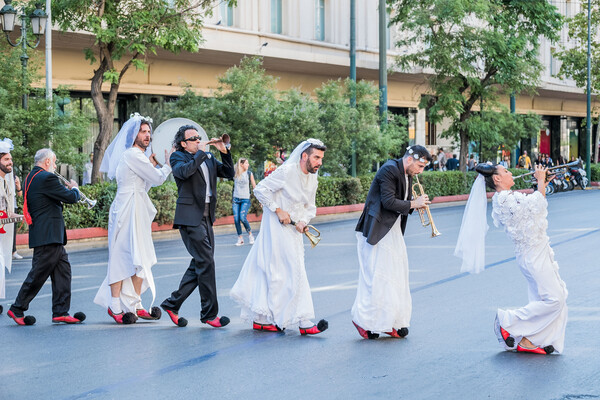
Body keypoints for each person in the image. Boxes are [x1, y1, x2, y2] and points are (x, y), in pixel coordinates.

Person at [455, 163, 567, 355]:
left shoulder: (509, 198)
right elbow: (538, 204)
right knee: (555, 299)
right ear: (497, 179)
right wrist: (540, 181)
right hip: (533, 255)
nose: (511, 173)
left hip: (536, 252)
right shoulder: (505, 199)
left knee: (549, 298)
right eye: (506, 171)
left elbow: (535, 209)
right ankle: (508, 320)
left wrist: (541, 184)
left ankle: (531, 340)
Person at [230, 139, 329, 335]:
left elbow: (311, 206)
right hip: (276, 228)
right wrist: (278, 210)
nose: (319, 162)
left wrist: (303, 221)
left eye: (321, 158)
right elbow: (260, 190)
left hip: (294, 231)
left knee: (287, 270)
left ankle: (263, 318)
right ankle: (303, 320)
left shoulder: (313, 178)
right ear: (304, 156)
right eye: (316, 157)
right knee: (283, 270)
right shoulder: (287, 171)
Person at [94, 114, 173, 324]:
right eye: (143, 132)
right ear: (133, 134)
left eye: (149, 132)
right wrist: (168, 164)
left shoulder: (139, 157)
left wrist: (155, 166)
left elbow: (146, 184)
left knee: (141, 257)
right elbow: (157, 179)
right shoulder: (131, 154)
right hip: (126, 208)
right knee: (120, 256)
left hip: (138, 208)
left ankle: (135, 304)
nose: (148, 136)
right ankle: (115, 305)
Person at [351, 145, 432, 339]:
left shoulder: (408, 172)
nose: (420, 171)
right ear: (410, 159)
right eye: (420, 166)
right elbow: (388, 202)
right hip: (378, 230)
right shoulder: (389, 169)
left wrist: (416, 203)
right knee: (376, 278)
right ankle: (363, 320)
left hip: (393, 230)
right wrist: (414, 203)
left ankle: (390, 322)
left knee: (396, 277)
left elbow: (401, 201)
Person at [160, 125, 234, 328]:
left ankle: (172, 304)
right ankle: (209, 314)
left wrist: (224, 151)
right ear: (183, 143)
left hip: (206, 216)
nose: (198, 140)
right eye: (193, 138)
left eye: (199, 137)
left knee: (202, 262)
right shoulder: (178, 158)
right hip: (189, 218)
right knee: (206, 262)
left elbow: (229, 172)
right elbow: (184, 173)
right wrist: (201, 153)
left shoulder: (208, 158)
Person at [7, 149, 86, 325]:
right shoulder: (47, 178)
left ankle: (60, 311)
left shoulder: (31, 177)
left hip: (47, 235)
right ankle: (17, 308)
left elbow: (50, 198)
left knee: (63, 272)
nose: (56, 166)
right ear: (48, 161)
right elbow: (70, 198)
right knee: (37, 274)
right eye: (55, 162)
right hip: (48, 235)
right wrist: (75, 188)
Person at [0, 139, 19, 314]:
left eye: (10, 159)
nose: (10, 162)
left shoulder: (6, 180)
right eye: (6, 159)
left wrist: (22, 217)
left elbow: (5, 212)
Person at [232, 157, 257, 246]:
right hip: (236, 199)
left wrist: (261, 199)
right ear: (241, 164)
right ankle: (240, 238)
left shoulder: (249, 174)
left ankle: (250, 235)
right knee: (236, 219)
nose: (248, 165)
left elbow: (254, 187)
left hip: (245, 199)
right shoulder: (235, 173)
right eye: (246, 163)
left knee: (242, 217)